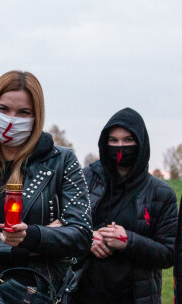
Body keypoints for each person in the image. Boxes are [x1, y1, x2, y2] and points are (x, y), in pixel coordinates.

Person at [0, 70, 93, 304]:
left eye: (23, 112)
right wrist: (24, 247)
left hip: (35, 293)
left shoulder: (62, 162)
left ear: (36, 117)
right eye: (4, 109)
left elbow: (81, 234)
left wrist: (32, 235)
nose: (11, 119)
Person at [72, 108, 177, 304]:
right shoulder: (85, 179)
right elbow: (62, 224)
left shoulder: (161, 193)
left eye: (128, 140)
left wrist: (129, 241)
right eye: (114, 141)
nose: (120, 147)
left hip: (135, 297)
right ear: (105, 143)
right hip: (81, 294)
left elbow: (169, 254)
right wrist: (87, 238)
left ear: (141, 142)